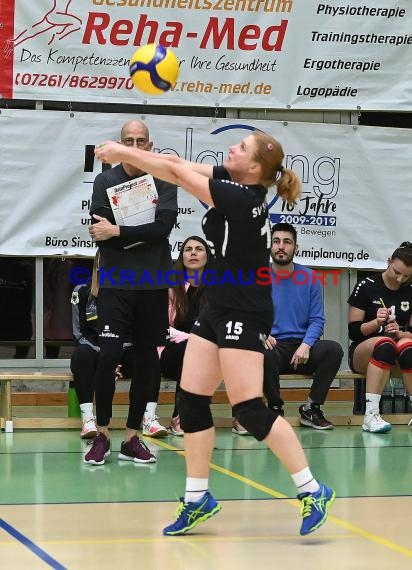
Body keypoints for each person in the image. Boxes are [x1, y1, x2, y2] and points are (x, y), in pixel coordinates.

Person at [95, 129, 335, 536]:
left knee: (249, 410)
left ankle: (312, 489)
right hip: (217, 307)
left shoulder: (243, 199)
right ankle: (196, 498)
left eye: (241, 148)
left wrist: (120, 151)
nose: (231, 149)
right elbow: (186, 167)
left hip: (246, 310)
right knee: (190, 404)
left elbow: (172, 170)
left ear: (255, 167)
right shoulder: (234, 179)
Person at [85, 119, 178, 465]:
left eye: (142, 141)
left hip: (152, 283)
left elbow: (162, 229)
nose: (136, 146)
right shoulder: (105, 181)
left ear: (150, 146)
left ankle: (132, 438)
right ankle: (103, 435)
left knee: (146, 359)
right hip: (115, 283)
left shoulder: (165, 178)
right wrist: (134, 232)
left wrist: (119, 233)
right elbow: (98, 230)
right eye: (129, 140)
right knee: (108, 356)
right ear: (119, 144)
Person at [259, 222, 343, 431]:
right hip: (274, 348)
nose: (281, 246)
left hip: (301, 350)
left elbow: (317, 319)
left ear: (296, 247)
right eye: (276, 241)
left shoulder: (310, 277)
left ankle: (311, 408)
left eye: (287, 242)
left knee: (333, 350)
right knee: (262, 352)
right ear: (270, 246)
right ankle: (275, 408)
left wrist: (306, 344)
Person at [348, 242, 412, 433]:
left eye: (407, 275)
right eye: (396, 272)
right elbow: (353, 332)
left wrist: (400, 333)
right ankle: (371, 415)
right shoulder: (366, 286)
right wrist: (376, 323)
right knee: (385, 344)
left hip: (396, 352)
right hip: (363, 352)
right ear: (389, 261)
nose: (400, 279)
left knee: (407, 346)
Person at [70, 251, 134, 439]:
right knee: (81, 355)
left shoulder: (132, 293)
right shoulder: (81, 291)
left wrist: (115, 356)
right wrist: (106, 355)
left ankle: (146, 419)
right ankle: (89, 419)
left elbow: (135, 333)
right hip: (95, 352)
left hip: (123, 353)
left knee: (146, 356)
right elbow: (78, 333)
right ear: (97, 264)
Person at [159, 235, 211, 436]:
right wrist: (192, 339)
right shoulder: (172, 287)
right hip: (173, 353)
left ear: (207, 256)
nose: (194, 253)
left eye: (199, 249)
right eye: (188, 249)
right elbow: (162, 327)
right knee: (192, 351)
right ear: (182, 257)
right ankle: (180, 416)